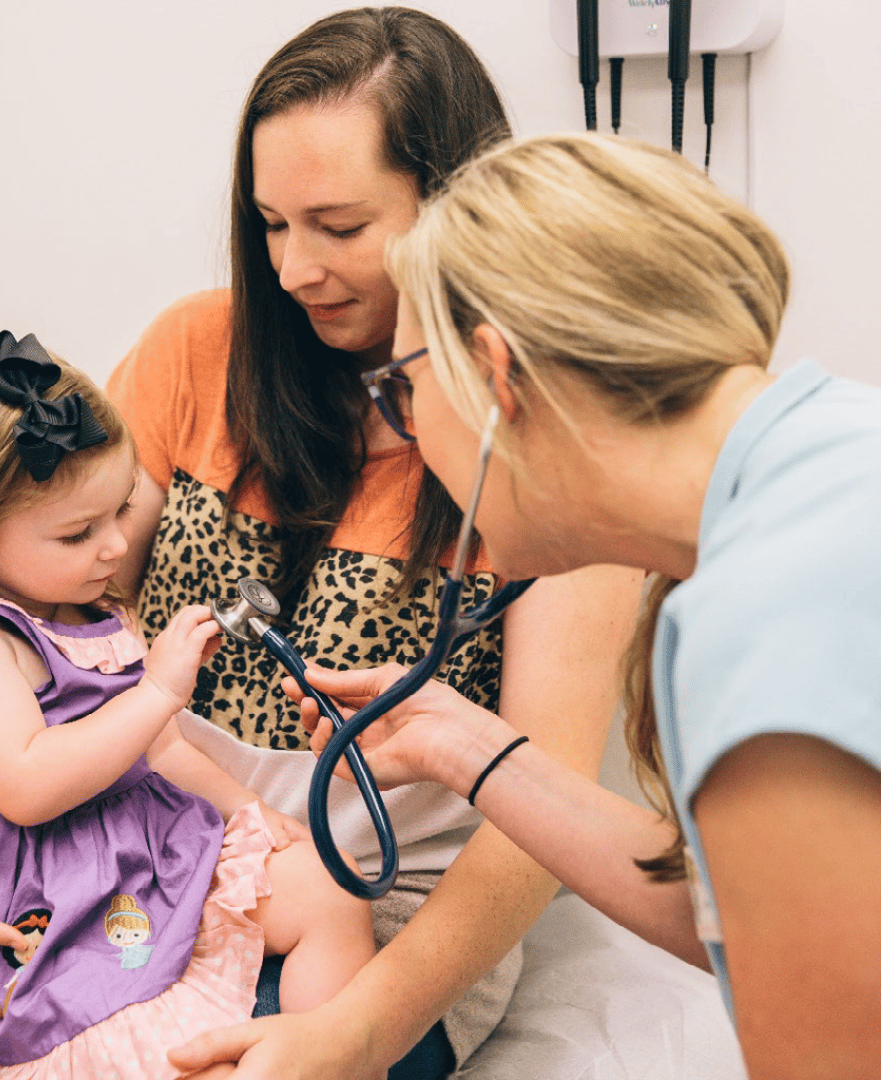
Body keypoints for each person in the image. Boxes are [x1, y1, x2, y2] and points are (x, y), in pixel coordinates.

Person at [0, 10, 643, 1080]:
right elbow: (35, 624)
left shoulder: (548, 451)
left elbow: (544, 822)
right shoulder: (191, 353)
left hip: (363, 910)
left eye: (339, 226)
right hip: (103, 853)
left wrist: (356, 1033)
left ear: (458, 211)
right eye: (270, 224)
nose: (296, 268)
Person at [255, 131, 881, 1080]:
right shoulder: (824, 458)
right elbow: (741, 913)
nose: (410, 430)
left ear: (495, 377)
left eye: (406, 391)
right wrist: (465, 751)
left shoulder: (760, 618)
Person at [0, 332, 377, 1079]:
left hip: (143, 853)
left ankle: (333, 1057)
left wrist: (249, 813)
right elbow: (25, 788)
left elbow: (162, 752)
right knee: (183, 1060)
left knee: (333, 885)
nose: (118, 546)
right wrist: (157, 691)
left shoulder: (84, 605)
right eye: (78, 533)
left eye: (120, 511)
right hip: (58, 913)